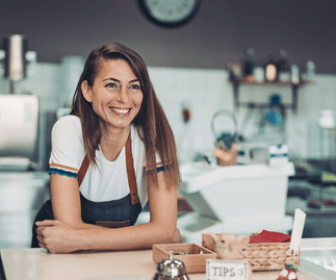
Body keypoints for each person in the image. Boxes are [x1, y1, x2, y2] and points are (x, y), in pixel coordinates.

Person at [31, 42, 181, 253]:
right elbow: (69, 225)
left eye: (134, 86)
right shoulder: (69, 129)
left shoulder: (153, 138)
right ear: (88, 90)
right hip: (54, 255)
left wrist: (77, 239)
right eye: (111, 84)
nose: (124, 98)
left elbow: (164, 231)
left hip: (108, 257)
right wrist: (147, 236)